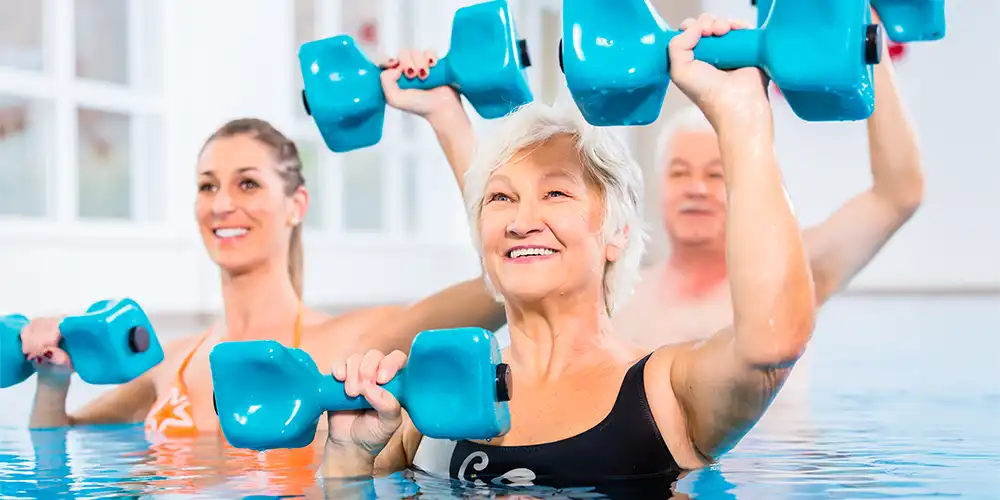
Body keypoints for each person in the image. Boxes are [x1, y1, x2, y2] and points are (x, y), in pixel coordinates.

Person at [318, 15, 817, 496]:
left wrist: (740, 116)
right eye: (500, 199)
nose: (520, 221)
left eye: (555, 195)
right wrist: (349, 459)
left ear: (616, 234)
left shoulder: (667, 391)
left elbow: (771, 343)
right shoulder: (422, 405)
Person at [19, 49, 504, 443]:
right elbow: (60, 440)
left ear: (296, 204)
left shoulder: (354, 343)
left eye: (247, 184)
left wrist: (444, 115)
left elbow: (502, 283)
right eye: (207, 186)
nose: (222, 204)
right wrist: (53, 379)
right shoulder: (171, 362)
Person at [613, 8, 925, 350]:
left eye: (715, 174)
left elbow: (898, 195)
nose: (696, 189)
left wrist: (867, 41)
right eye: (680, 172)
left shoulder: (791, 274)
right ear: (658, 185)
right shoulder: (621, 297)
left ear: (743, 179)